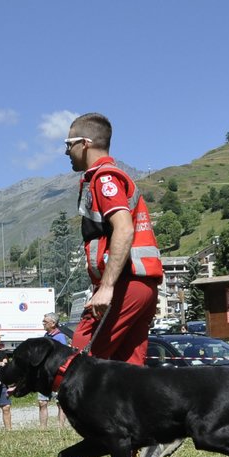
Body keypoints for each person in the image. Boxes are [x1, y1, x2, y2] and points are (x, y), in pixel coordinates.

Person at [65, 113, 164, 364]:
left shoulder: (104, 178)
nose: (66, 152)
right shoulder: (110, 176)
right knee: (127, 373)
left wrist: (106, 287)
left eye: (68, 144)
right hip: (143, 288)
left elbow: (124, 228)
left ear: (84, 143)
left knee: (79, 363)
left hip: (124, 285)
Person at [35, 314, 69, 427]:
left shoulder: (60, 337)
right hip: (44, 374)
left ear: (53, 323)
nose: (43, 323)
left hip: (56, 375)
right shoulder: (46, 335)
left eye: (45, 321)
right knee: (42, 402)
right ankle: (43, 427)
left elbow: (63, 356)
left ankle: (61, 427)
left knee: (60, 403)